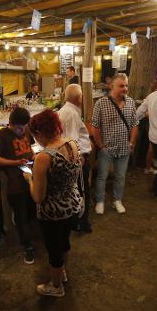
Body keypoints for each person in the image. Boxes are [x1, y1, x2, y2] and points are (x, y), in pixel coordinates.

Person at [23, 110, 83, 297]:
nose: (36, 141)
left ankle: (56, 286)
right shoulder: (72, 144)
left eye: (35, 137)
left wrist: (29, 179)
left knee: (53, 251)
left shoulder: (44, 157)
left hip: (53, 212)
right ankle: (62, 272)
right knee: (64, 243)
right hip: (72, 205)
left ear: (40, 133)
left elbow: (38, 197)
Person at [0, 107, 36, 264]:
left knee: (31, 211)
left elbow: (30, 148)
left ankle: (31, 237)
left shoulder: (26, 130)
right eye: (19, 127)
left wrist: (33, 156)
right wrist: (16, 162)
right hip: (14, 184)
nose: (22, 130)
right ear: (10, 123)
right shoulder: (2, 135)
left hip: (30, 179)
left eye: (24, 127)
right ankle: (27, 247)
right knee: (21, 216)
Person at [91, 73, 138, 214]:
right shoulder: (101, 103)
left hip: (124, 147)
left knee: (120, 176)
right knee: (102, 176)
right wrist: (100, 145)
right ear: (112, 86)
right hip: (107, 148)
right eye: (122, 86)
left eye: (126, 85)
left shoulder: (130, 102)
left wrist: (131, 143)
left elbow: (135, 124)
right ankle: (100, 201)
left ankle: (117, 200)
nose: (125, 88)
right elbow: (94, 126)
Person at [58, 84, 93, 233]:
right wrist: (79, 160)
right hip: (77, 160)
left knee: (76, 190)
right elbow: (72, 141)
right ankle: (81, 223)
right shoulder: (71, 114)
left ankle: (76, 221)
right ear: (79, 98)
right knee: (81, 191)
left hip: (72, 159)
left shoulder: (65, 111)